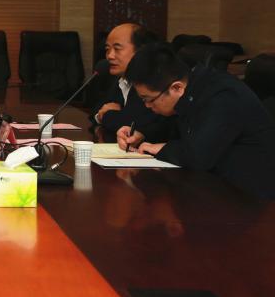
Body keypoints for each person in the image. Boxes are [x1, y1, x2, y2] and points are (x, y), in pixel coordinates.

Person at [118, 43, 275, 199]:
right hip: (214, 188)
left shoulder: (223, 95)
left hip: (251, 198)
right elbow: (171, 125)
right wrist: (142, 134)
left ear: (176, 88)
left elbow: (198, 156)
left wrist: (163, 149)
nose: (147, 105)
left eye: (149, 99)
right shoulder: (193, 88)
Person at [90, 23, 165, 138]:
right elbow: (96, 110)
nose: (110, 56)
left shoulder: (151, 81)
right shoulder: (120, 79)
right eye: (107, 49)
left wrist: (107, 115)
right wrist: (106, 114)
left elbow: (136, 124)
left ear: (140, 50)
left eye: (117, 49)